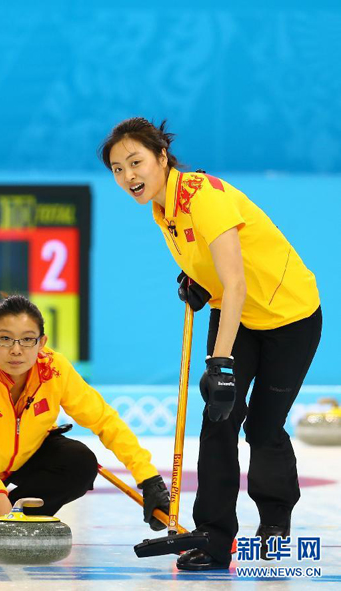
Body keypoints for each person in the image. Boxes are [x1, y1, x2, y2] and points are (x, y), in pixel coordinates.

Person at [99, 118, 322, 570]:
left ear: (162, 157)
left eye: (136, 162)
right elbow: (216, 269)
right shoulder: (162, 209)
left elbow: (236, 283)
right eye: (118, 169)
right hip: (237, 314)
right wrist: (197, 279)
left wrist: (219, 363)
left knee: (262, 427)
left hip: (289, 317)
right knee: (219, 418)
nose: (128, 176)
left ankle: (274, 522)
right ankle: (214, 537)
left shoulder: (202, 196)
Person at [0, 294, 170, 539]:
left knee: (80, 463)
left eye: (27, 340)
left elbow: (103, 419)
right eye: (5, 339)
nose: (16, 350)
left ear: (42, 342)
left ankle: (14, 519)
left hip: (29, 452)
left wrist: (149, 478)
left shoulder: (55, 370)